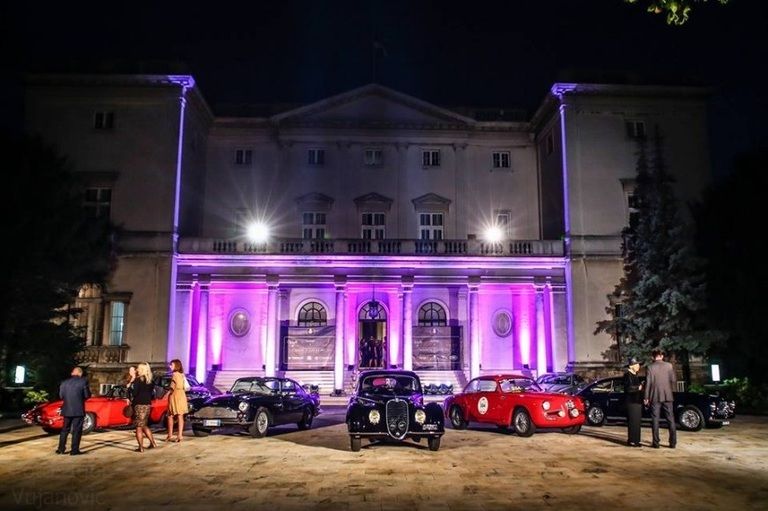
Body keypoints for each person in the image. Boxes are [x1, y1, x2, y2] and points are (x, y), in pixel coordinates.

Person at [644, 349, 677, 449]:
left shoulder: (650, 367)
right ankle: (672, 443)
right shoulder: (669, 366)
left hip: (655, 396)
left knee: (655, 419)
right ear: (662, 356)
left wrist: (646, 397)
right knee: (670, 419)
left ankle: (656, 442)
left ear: (653, 357)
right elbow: (673, 380)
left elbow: (648, 383)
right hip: (667, 395)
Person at [56, 367, 91, 456]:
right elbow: (87, 395)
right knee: (76, 430)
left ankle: (61, 449)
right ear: (80, 373)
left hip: (67, 409)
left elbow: (61, 396)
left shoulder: (64, 382)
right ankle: (74, 450)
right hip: (78, 410)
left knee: (64, 430)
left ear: (72, 373)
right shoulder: (83, 381)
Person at [132, 363, 158, 452]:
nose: (137, 370)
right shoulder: (150, 381)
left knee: (138, 427)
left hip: (139, 404)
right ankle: (153, 443)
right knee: (144, 425)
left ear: (142, 369)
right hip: (147, 404)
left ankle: (141, 447)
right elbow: (152, 394)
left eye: (138, 368)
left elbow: (135, 393)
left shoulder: (138, 380)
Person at [165, 359, 189, 443]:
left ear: (176, 365)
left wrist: (166, 395)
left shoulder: (174, 374)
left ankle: (170, 435)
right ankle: (180, 435)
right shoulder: (182, 375)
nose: (170, 366)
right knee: (180, 415)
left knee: (170, 415)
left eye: (171, 365)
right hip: (182, 394)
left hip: (175, 395)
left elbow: (172, 387)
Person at [623, 357, 643, 447]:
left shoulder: (635, 375)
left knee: (637, 422)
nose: (638, 366)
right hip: (631, 402)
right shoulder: (627, 375)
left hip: (637, 401)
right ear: (631, 366)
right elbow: (627, 389)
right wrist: (637, 388)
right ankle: (632, 440)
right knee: (633, 422)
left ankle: (636, 440)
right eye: (636, 364)